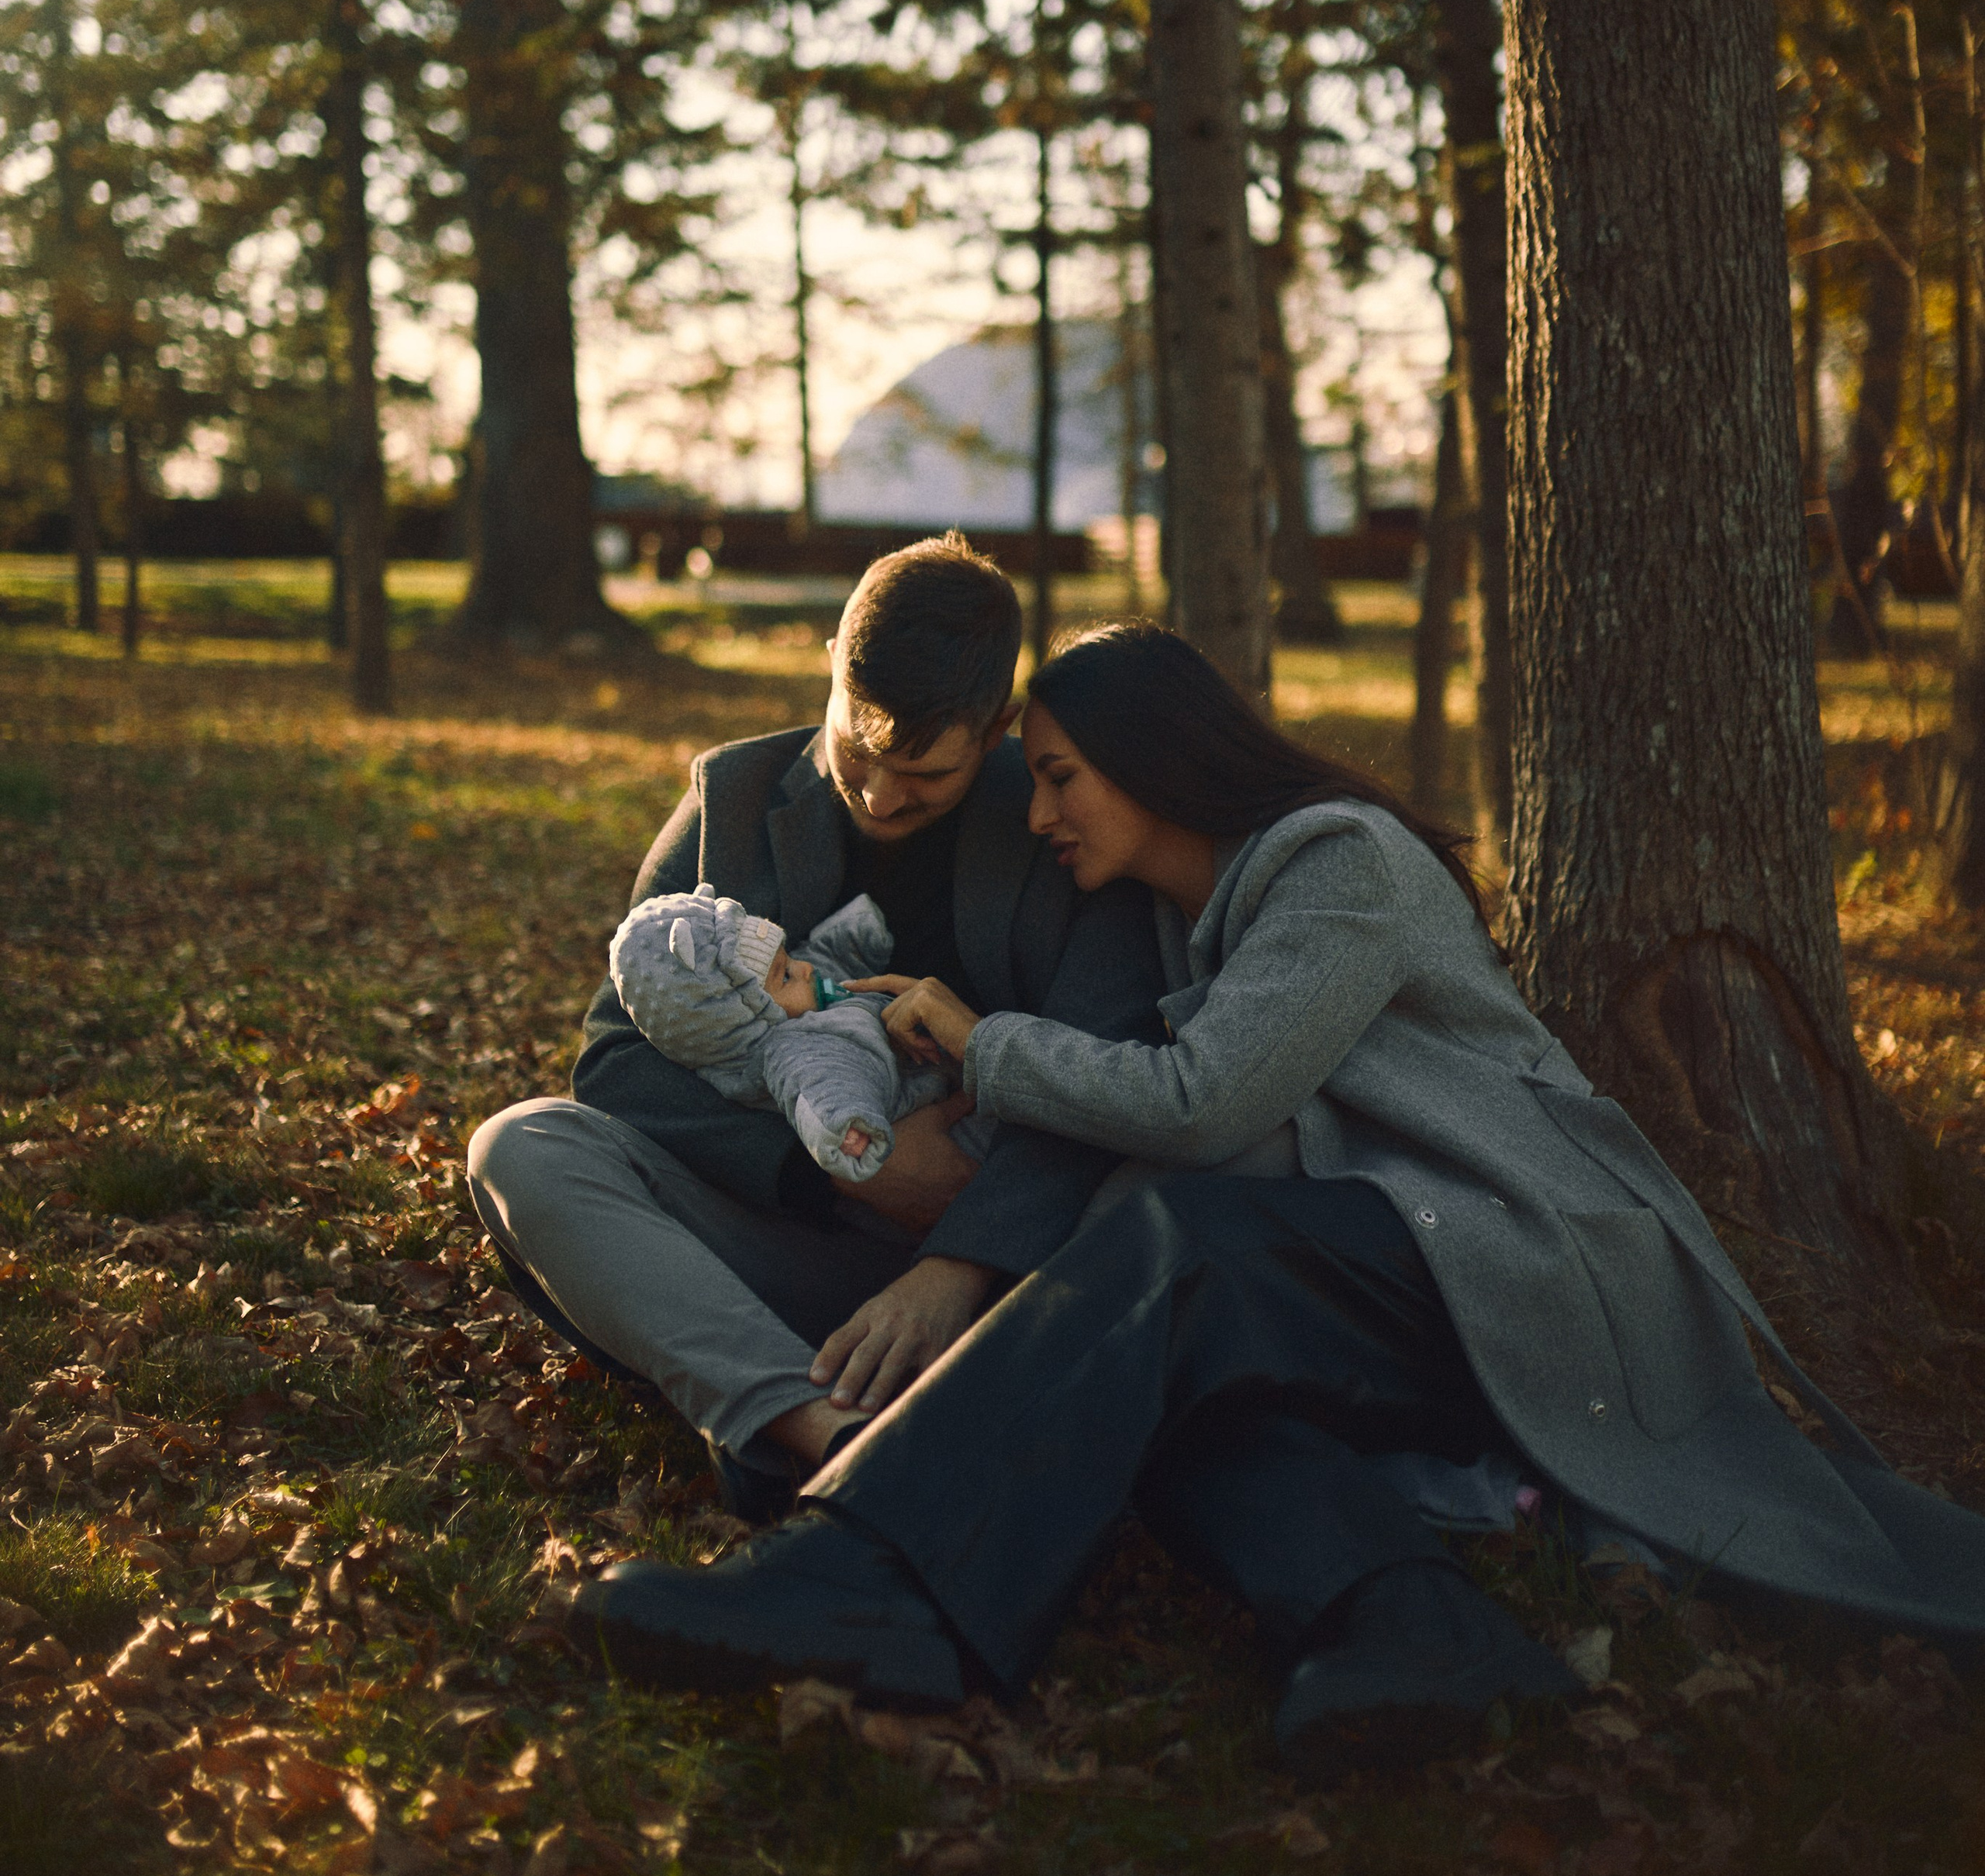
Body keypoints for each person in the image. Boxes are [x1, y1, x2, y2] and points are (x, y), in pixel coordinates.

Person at [577, 620, 1985, 1779]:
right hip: (1370, 1267)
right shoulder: (1184, 913)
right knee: (1172, 1362)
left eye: (1062, 779)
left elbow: (1209, 1105)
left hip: (1522, 1261)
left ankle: (873, 1573)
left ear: (1148, 760)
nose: (1042, 810)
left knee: (1176, 1253)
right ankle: (1405, 1620)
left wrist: (975, 1039)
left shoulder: (1337, 864)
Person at [465, 535, 1167, 1516]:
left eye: (927, 774)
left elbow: (1111, 1067)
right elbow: (619, 1064)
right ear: (832, 666)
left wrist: (955, 1263)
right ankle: (824, 1438)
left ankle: (819, 1412)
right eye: (860, 750)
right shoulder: (731, 799)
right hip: (776, 1233)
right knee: (524, 1143)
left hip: (1003, 1265)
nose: (881, 795)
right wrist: (846, 1168)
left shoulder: (1060, 818)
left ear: (995, 726)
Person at [606, 877, 989, 1181]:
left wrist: (856, 933)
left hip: (939, 1079)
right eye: (786, 975)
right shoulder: (793, 1050)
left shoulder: (798, 1005)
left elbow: (824, 958)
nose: (804, 969)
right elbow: (824, 1087)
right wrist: (847, 1130)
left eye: (788, 959)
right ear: (740, 1018)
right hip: (927, 1122)